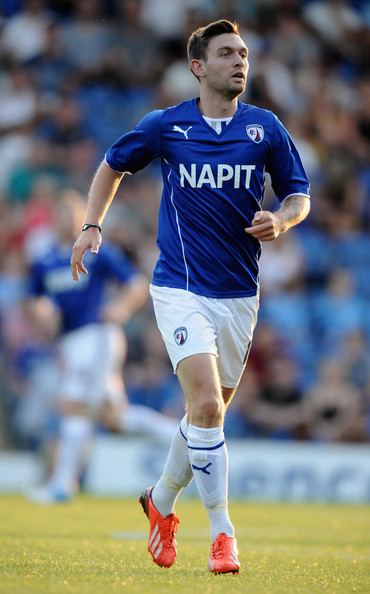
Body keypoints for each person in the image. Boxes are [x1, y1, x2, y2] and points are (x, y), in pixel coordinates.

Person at [70, 20, 311, 574]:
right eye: (227, 53)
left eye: (244, 53)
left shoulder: (265, 129)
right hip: (178, 286)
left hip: (238, 295)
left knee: (207, 419)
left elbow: (299, 193)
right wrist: (91, 226)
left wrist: (283, 218)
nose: (240, 61)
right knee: (205, 406)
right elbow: (112, 165)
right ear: (199, 66)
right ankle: (223, 534)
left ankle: (158, 502)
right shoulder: (167, 125)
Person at [26, 190, 179, 503]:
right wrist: (40, 313)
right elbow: (33, 300)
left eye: (74, 215)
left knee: (72, 404)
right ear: (54, 220)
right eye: (62, 214)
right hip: (71, 343)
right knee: (115, 417)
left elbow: (136, 284)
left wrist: (121, 308)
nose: (67, 220)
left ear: (84, 219)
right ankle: (182, 435)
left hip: (97, 336)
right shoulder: (44, 261)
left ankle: (61, 486)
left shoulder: (98, 253)